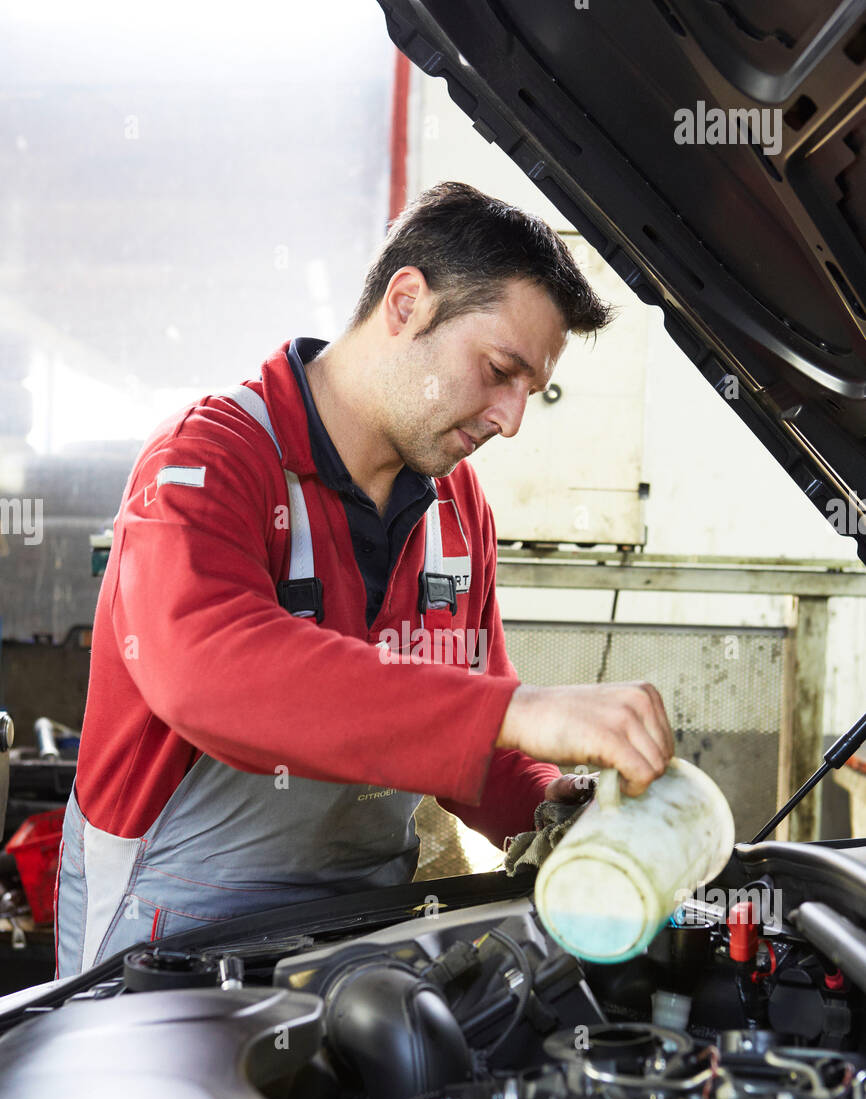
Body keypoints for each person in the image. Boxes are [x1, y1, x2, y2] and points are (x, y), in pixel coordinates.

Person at [54, 181, 674, 979]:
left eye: (532, 390)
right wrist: (523, 711)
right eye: (498, 371)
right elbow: (210, 672)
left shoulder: (456, 507)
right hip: (166, 949)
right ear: (407, 302)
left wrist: (559, 803)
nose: (512, 419)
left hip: (366, 936)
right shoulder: (207, 459)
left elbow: (477, 739)